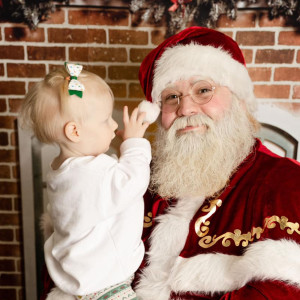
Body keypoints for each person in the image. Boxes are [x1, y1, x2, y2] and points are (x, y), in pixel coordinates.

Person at [134, 26, 300, 299]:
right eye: (171, 97)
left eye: (203, 90)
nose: (185, 109)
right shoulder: (134, 180)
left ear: (238, 100)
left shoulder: (288, 185)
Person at [19, 63, 152, 300]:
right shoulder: (94, 173)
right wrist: (134, 144)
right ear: (75, 132)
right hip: (107, 286)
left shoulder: (62, 171)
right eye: (105, 120)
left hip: (82, 282)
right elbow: (133, 181)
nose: (114, 125)